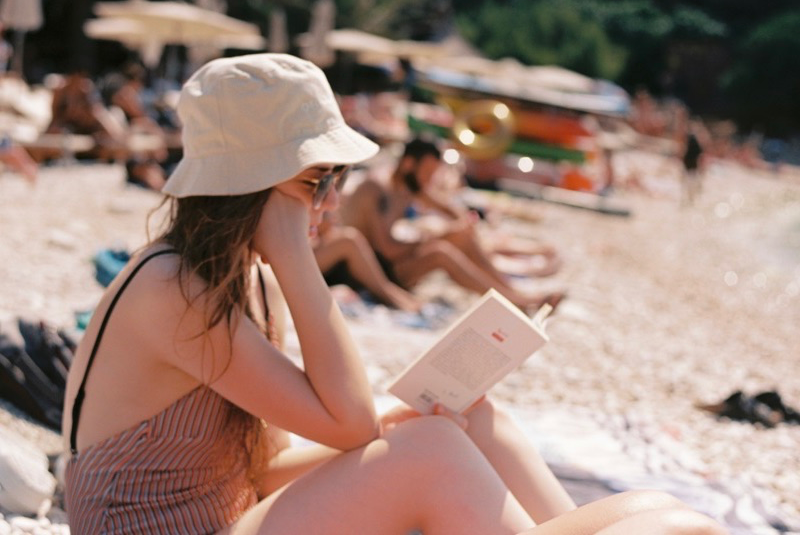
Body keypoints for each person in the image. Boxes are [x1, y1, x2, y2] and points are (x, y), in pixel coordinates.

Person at [61, 54, 726, 534]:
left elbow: (261, 467)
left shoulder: (243, 281)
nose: (333, 201)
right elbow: (347, 422)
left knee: (468, 425)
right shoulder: (171, 288)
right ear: (255, 185)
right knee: (431, 453)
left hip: (226, 517)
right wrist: (297, 255)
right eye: (318, 182)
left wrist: (417, 414)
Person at [339, 138, 565, 313]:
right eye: (427, 173)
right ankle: (513, 301)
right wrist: (442, 233)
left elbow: (448, 208)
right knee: (440, 252)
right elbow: (387, 250)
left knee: (460, 237)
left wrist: (461, 224)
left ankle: (511, 292)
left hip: (391, 262)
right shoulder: (377, 189)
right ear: (408, 164)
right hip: (373, 273)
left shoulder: (408, 182)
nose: (429, 180)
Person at [313, 212, 423, 313]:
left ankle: (390, 292)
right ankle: (388, 294)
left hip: (314, 256)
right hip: (303, 263)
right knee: (349, 240)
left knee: (348, 239)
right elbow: (387, 249)